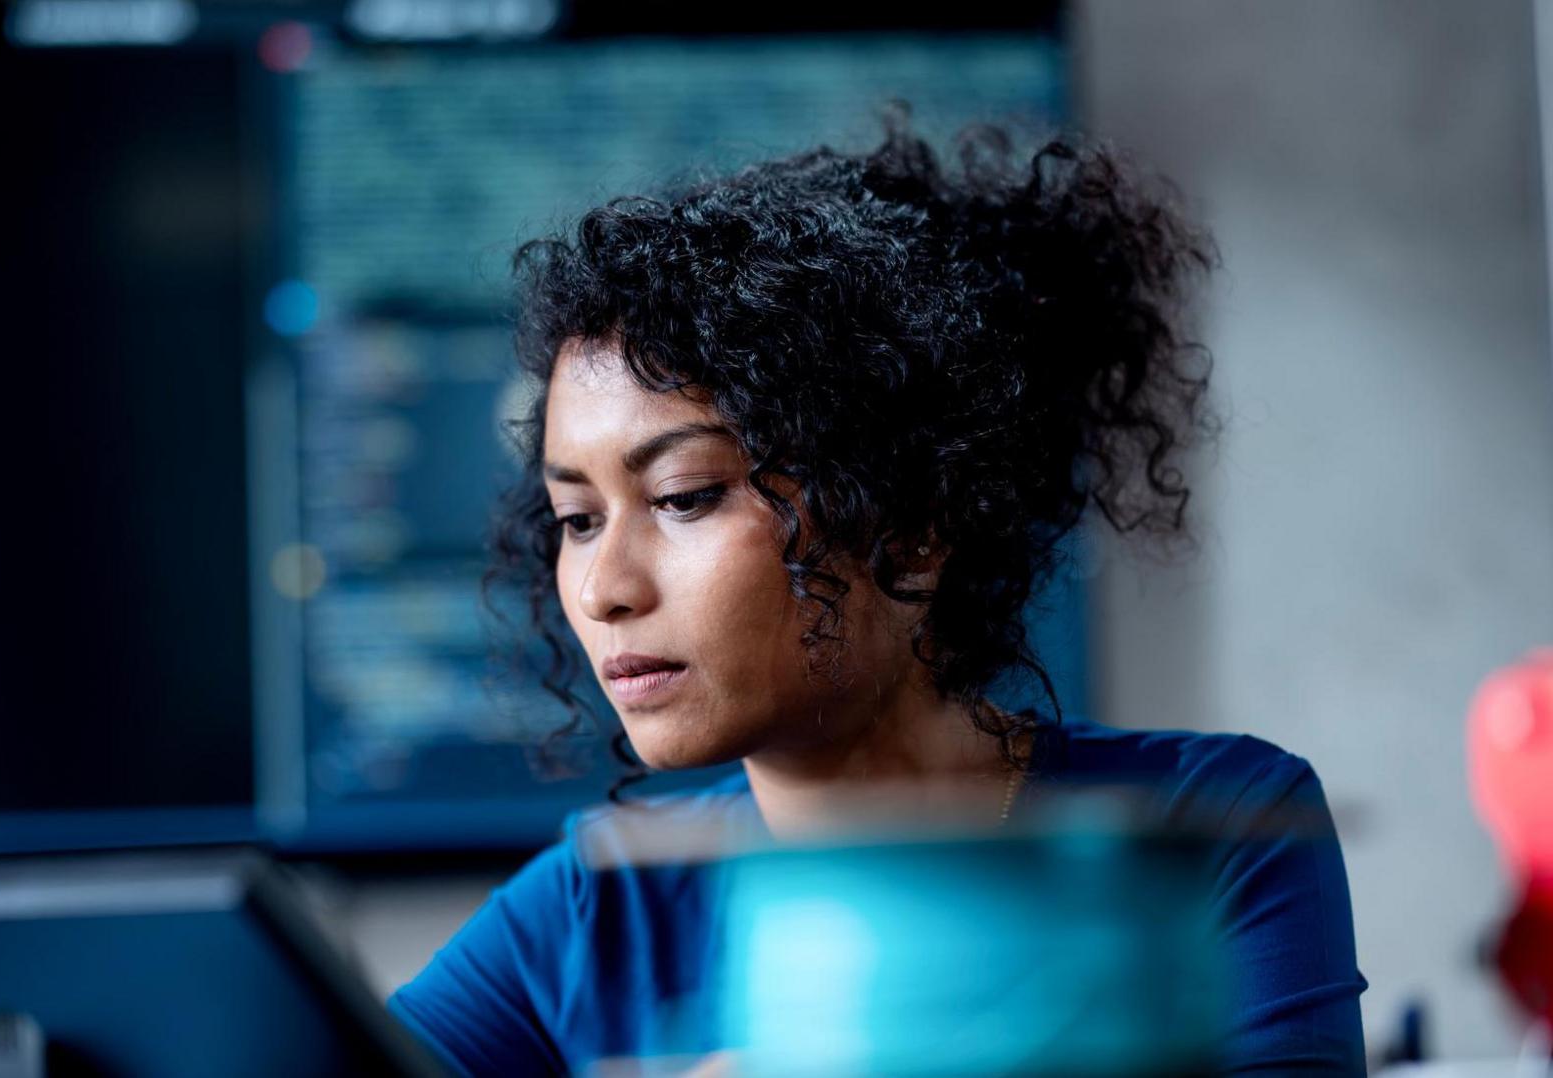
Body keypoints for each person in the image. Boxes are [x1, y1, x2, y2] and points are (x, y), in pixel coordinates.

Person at [386, 105, 1369, 1075]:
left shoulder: (1212, 829)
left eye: (683, 497)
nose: (603, 587)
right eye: (577, 519)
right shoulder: (588, 911)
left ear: (910, 526)